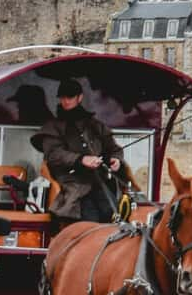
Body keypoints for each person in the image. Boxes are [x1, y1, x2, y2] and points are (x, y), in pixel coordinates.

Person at [31, 78, 125, 225]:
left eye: (70, 97)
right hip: (71, 183)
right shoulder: (53, 127)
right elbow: (53, 155)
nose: (66, 101)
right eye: (63, 97)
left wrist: (116, 160)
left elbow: (114, 149)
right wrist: (81, 159)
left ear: (79, 98)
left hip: (99, 183)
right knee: (90, 219)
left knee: (114, 215)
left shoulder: (95, 125)